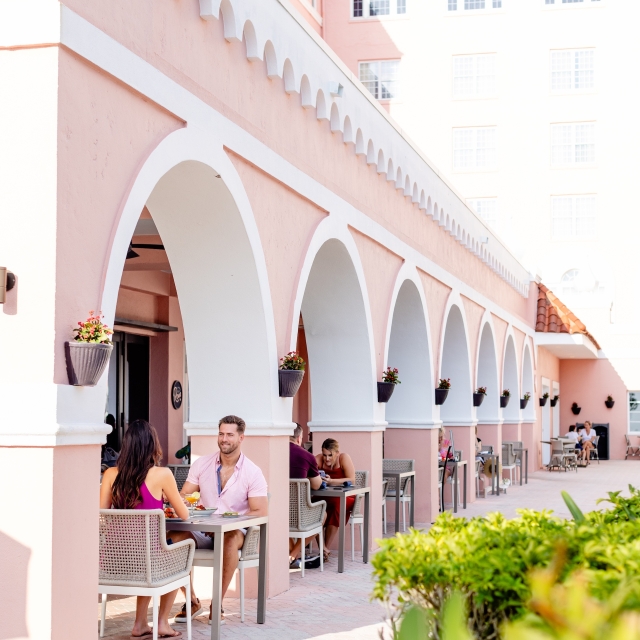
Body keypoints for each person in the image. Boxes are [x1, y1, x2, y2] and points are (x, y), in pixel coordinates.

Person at [170, 415, 268, 626]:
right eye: (221, 433)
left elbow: (260, 511)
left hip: (235, 532)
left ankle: (217, 603)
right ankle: (193, 600)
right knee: (174, 538)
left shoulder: (253, 472)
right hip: (203, 529)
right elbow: (184, 496)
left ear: (241, 437)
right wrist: (190, 509)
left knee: (230, 538)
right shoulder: (202, 464)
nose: (224, 439)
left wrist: (225, 523)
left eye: (230, 435)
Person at [100, 420, 188, 639]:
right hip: (147, 560)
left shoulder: (110, 474)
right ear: (152, 445)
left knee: (150, 554)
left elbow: (102, 512)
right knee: (181, 553)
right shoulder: (162, 474)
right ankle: (162, 622)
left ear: (127, 445)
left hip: (114, 558)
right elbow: (184, 515)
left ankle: (140, 624)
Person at [314, 438, 355, 561]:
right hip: (324, 495)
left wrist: (332, 481)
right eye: (324, 455)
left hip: (344, 496)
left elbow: (352, 480)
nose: (327, 459)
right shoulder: (318, 459)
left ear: (337, 452)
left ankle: (325, 548)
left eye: (330, 455)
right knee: (314, 507)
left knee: (337, 505)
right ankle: (323, 548)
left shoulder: (343, 458)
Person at [288, 423, 322, 567]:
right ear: (299, 438)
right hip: (298, 512)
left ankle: (291, 556)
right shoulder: (306, 455)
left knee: (284, 522)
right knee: (322, 514)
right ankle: (292, 556)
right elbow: (316, 485)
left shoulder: (273, 451)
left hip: (275, 509)